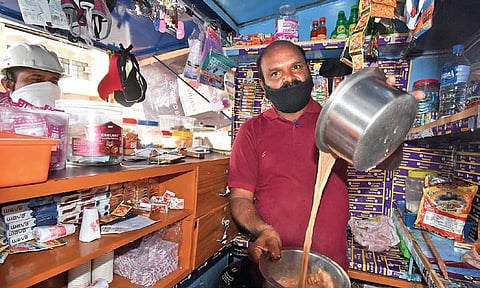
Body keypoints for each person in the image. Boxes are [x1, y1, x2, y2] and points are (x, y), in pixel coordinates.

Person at [227, 40, 423, 284]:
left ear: (308, 71)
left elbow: (384, 160)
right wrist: (262, 230)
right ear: (263, 84)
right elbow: (240, 199)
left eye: (296, 67)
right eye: (275, 73)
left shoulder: (337, 122)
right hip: (273, 268)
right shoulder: (251, 131)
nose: (289, 78)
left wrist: (388, 125)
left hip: (329, 268)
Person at [0, 43, 64, 107]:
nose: (49, 87)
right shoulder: (4, 116)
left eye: (53, 81)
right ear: (8, 85)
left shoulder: (65, 116)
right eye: (36, 80)